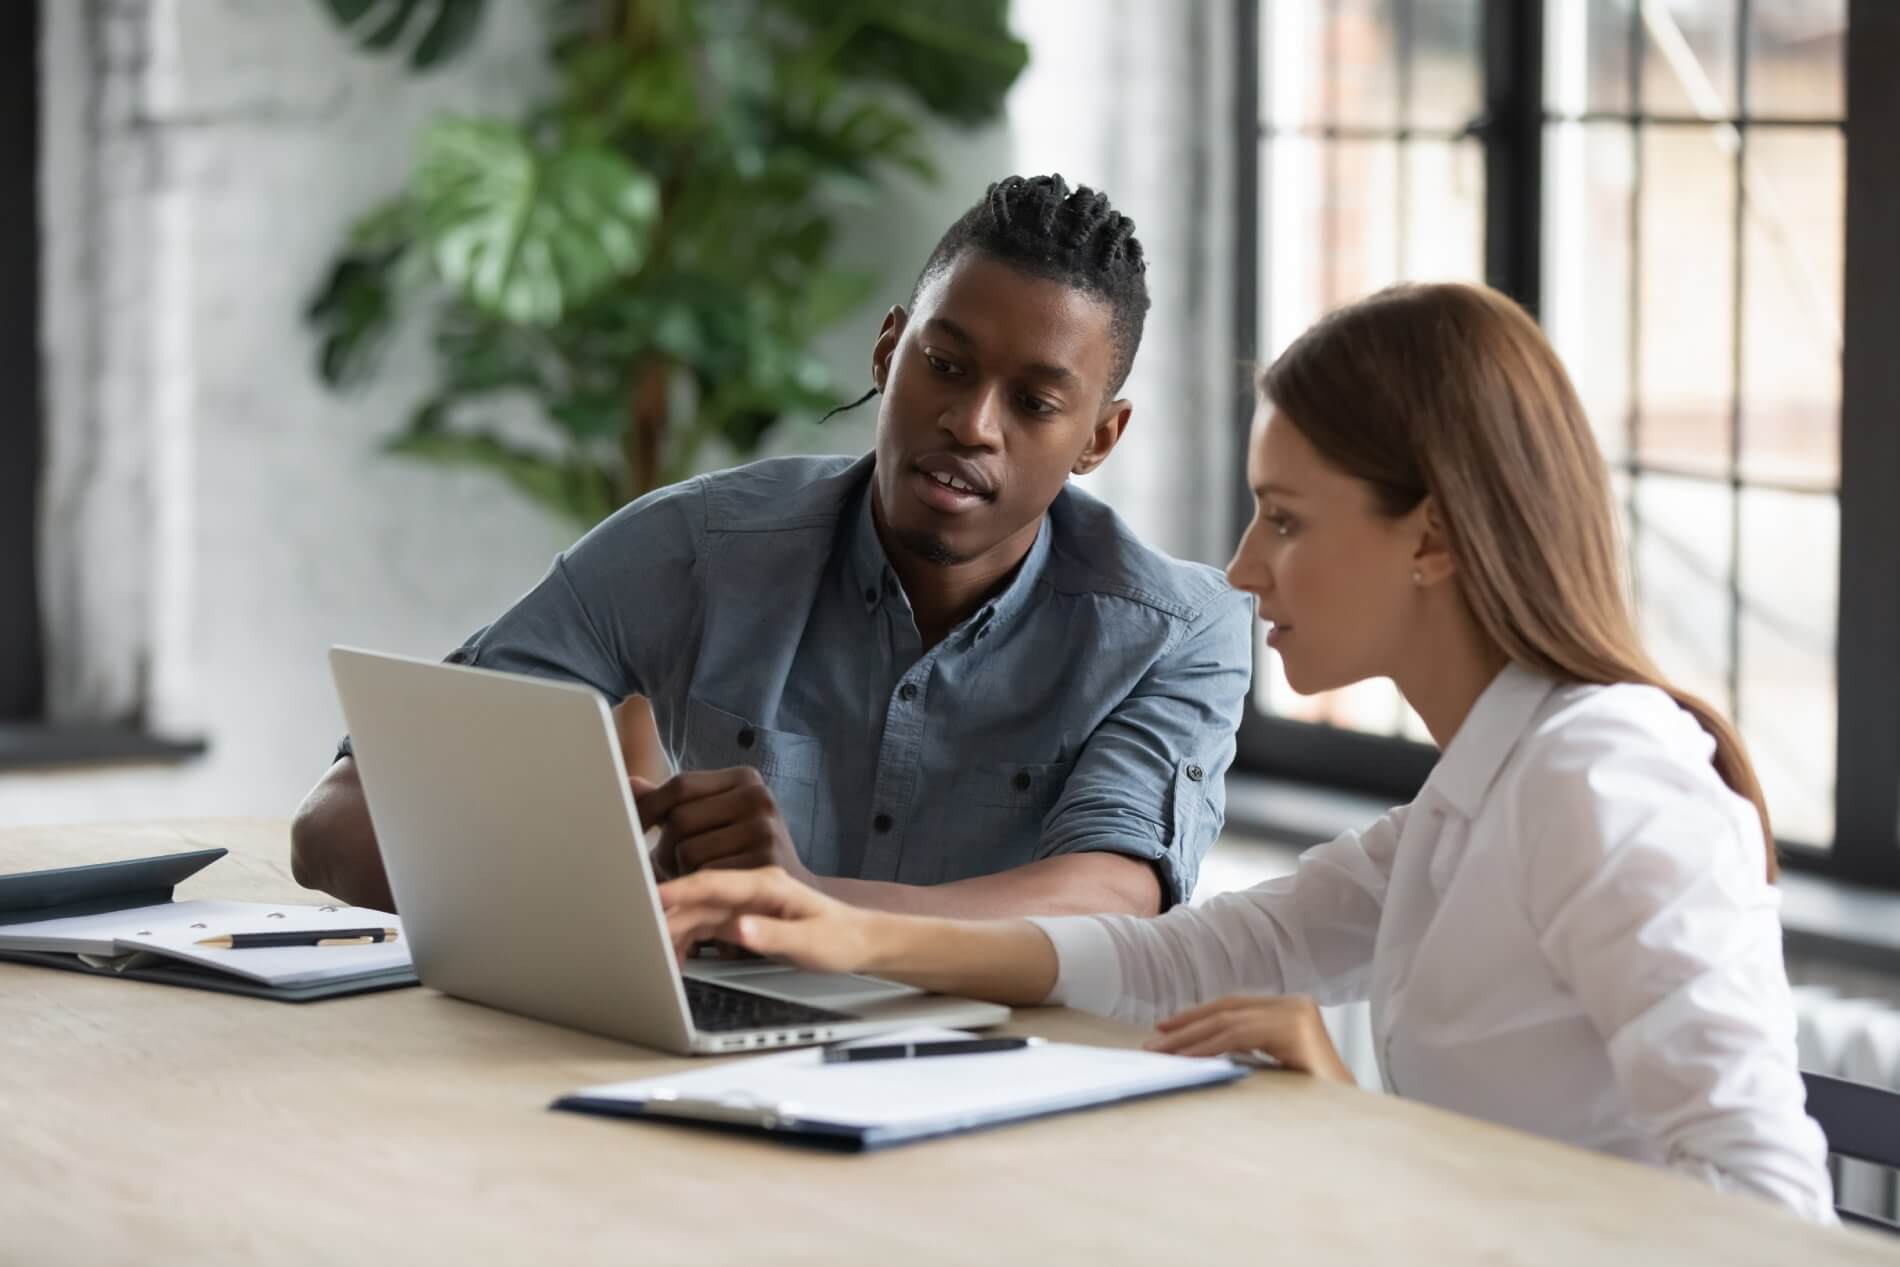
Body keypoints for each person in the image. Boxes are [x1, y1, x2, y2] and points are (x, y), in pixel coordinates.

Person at [656, 282, 1836, 1221]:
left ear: (1427, 535)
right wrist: (841, 929)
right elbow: (1183, 959)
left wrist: (1353, 1119)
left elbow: (1774, 1220)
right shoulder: (1482, 791)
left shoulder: (1603, 782)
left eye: (1284, 516)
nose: (1239, 569)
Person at [290, 174, 1254, 920]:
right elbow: (338, 819)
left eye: (1035, 403)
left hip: (1012, 1095)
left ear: (1099, 436)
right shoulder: (698, 547)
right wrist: (592, 854)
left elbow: (1112, 899)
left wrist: (794, 907)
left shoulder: (1177, 633)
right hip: (715, 1066)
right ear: (888, 352)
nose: (971, 422)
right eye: (944, 365)